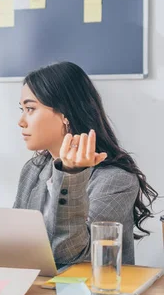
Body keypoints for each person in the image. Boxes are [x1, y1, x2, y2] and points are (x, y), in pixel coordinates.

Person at [15, 62, 157, 265]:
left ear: (65, 114)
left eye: (30, 109)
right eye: (22, 109)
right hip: (35, 287)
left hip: (90, 293)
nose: (21, 121)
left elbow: (72, 255)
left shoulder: (117, 180)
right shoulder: (33, 170)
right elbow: (16, 243)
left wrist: (71, 176)